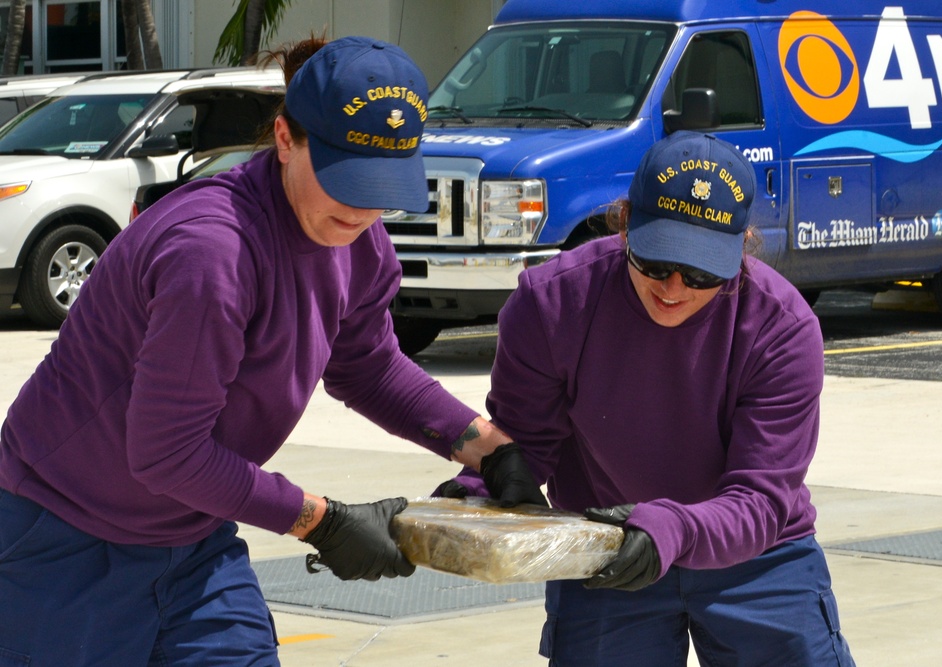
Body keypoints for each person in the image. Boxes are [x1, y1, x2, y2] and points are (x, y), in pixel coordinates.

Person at [0, 36, 541, 666]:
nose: (365, 208)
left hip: (194, 536)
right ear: (285, 138)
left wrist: (487, 447)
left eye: (384, 184)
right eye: (346, 178)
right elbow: (166, 453)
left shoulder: (355, 238)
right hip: (66, 536)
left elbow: (366, 366)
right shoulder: (213, 253)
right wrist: (325, 522)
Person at [439, 132, 856, 666]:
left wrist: (673, 529)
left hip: (755, 554)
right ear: (624, 221)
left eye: (703, 272)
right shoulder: (551, 304)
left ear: (743, 242)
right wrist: (479, 489)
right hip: (609, 546)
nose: (674, 288)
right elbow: (526, 444)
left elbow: (762, 498)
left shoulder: (781, 326)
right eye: (655, 262)